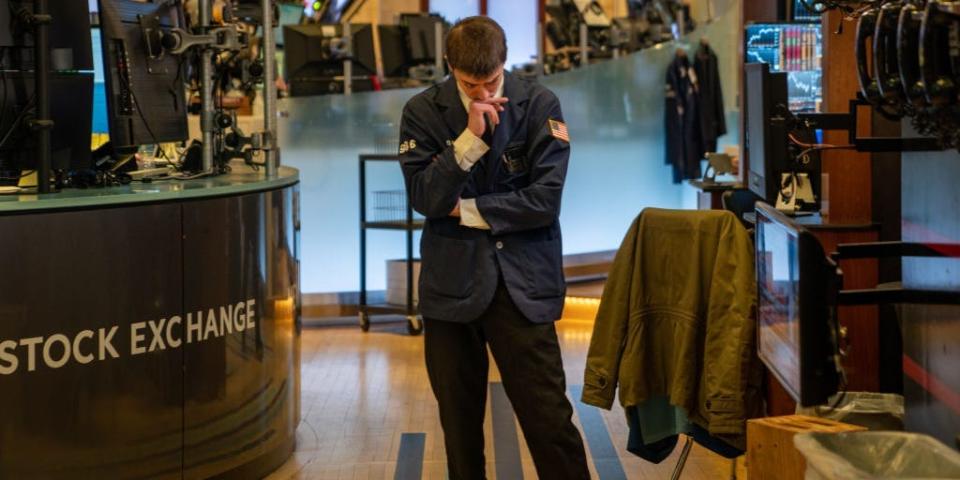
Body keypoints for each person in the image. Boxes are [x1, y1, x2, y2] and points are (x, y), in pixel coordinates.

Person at [398, 16, 589, 480]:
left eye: (491, 81)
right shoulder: (422, 111)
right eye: (470, 84)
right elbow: (425, 199)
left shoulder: (539, 103)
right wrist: (468, 140)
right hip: (452, 287)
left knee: (549, 422)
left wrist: (466, 210)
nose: (483, 94)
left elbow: (544, 202)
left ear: (506, 63)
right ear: (449, 67)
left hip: (522, 284)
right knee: (459, 428)